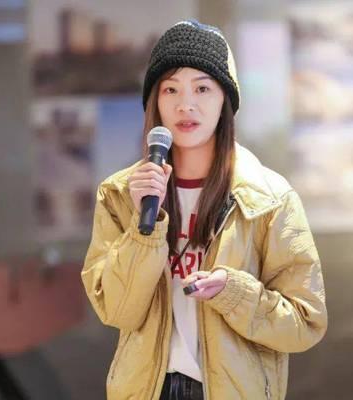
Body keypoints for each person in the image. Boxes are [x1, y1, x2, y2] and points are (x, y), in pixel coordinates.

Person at [81, 19, 327, 400]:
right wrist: (144, 229)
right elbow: (116, 311)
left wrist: (234, 293)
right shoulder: (119, 195)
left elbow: (304, 322)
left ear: (225, 99)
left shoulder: (270, 199)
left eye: (202, 88)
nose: (186, 104)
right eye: (170, 89)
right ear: (155, 101)